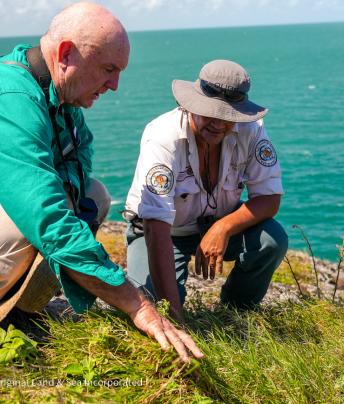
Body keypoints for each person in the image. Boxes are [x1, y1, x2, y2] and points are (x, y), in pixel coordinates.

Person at [0, 2, 203, 363]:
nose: (114, 85)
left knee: (92, 195)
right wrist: (135, 304)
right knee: (27, 227)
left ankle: (19, 313)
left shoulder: (62, 99)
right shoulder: (14, 99)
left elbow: (80, 164)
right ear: (65, 54)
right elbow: (47, 218)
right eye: (108, 69)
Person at [124, 59, 288, 322]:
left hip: (221, 221)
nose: (219, 124)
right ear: (190, 105)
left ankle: (236, 311)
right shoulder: (162, 137)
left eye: (228, 116)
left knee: (273, 240)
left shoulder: (252, 130)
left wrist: (222, 228)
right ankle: (174, 316)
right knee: (154, 305)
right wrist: (175, 319)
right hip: (163, 231)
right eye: (210, 112)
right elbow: (155, 224)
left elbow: (269, 199)